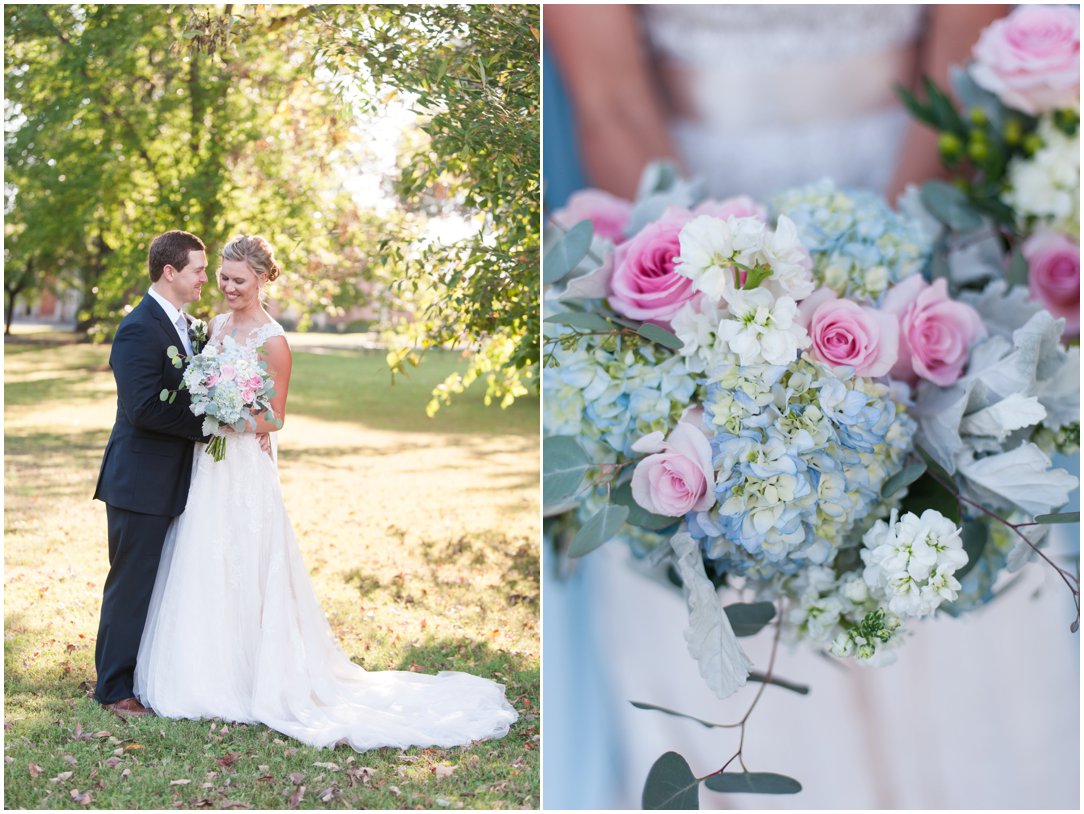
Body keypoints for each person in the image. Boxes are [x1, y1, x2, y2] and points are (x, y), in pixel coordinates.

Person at [544, 5, 1079, 809]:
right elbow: (611, 101)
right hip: (686, 232)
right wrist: (717, 333)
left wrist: (890, 316)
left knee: (957, 629)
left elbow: (957, 66)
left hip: (920, 207)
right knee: (731, 592)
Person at [132, 235, 518, 751]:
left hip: (243, 469)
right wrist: (206, 403)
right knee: (204, 557)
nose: (226, 287)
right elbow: (196, 385)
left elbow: (274, 418)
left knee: (247, 561)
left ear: (262, 280)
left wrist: (225, 417)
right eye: (222, 277)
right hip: (209, 466)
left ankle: (253, 674)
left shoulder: (273, 340)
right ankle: (202, 669)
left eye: (238, 280)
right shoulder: (215, 327)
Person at [93, 229, 211, 719]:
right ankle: (113, 689)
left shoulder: (189, 327)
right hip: (139, 480)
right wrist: (210, 424)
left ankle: (142, 674)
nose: (204, 279)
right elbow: (142, 408)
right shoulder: (139, 327)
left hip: (175, 478)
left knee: (159, 582)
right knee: (132, 584)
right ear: (170, 271)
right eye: (198, 270)